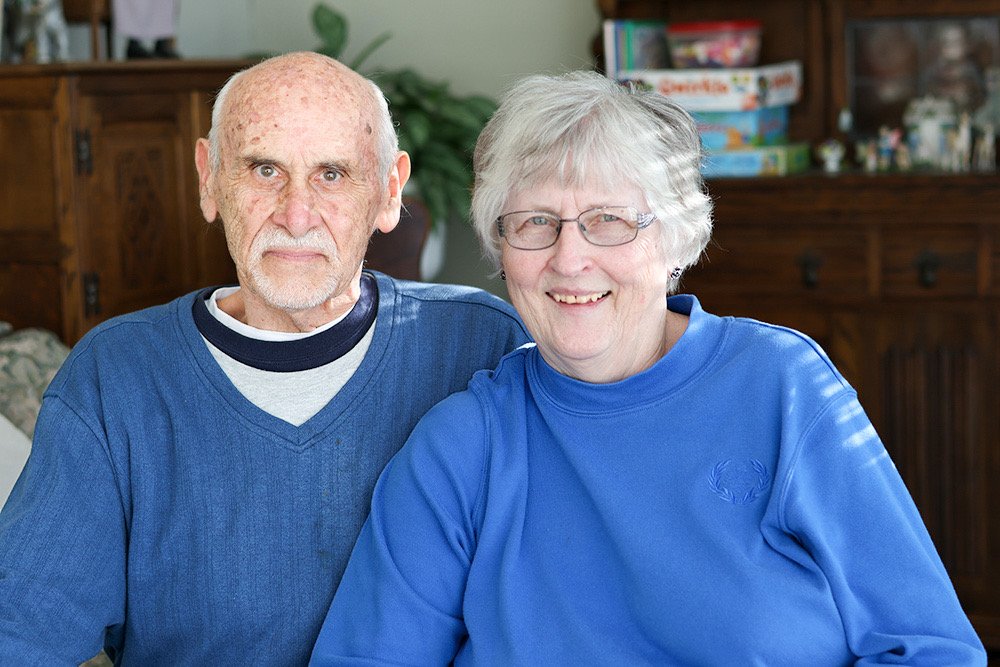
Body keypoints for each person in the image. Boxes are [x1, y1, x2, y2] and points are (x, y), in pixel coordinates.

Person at [310, 70, 987, 664]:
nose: (570, 258)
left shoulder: (782, 386)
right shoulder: (460, 447)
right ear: (501, 245)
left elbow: (929, 646)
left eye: (608, 220)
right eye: (536, 221)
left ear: (676, 239)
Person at [0, 52, 529, 665]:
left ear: (389, 191)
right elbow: (22, 635)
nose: (296, 213)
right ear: (209, 178)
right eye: (264, 169)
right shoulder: (116, 375)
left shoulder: (478, 344)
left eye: (332, 173)